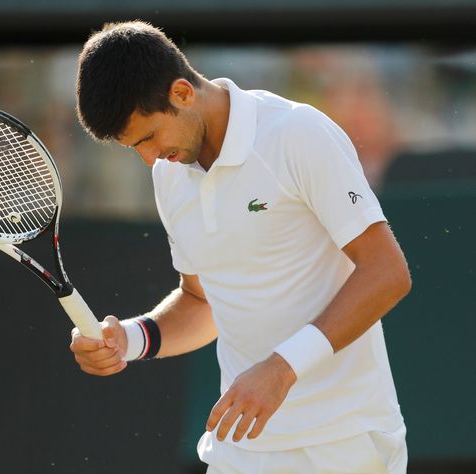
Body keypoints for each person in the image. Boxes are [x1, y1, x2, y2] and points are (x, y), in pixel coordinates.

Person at [70, 21, 411, 474]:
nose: (149, 159)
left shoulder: (297, 133)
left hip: (344, 442)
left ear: (183, 93)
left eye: (148, 137)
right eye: (134, 147)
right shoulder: (168, 175)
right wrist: (129, 339)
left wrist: (282, 368)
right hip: (241, 447)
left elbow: (387, 273)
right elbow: (202, 300)